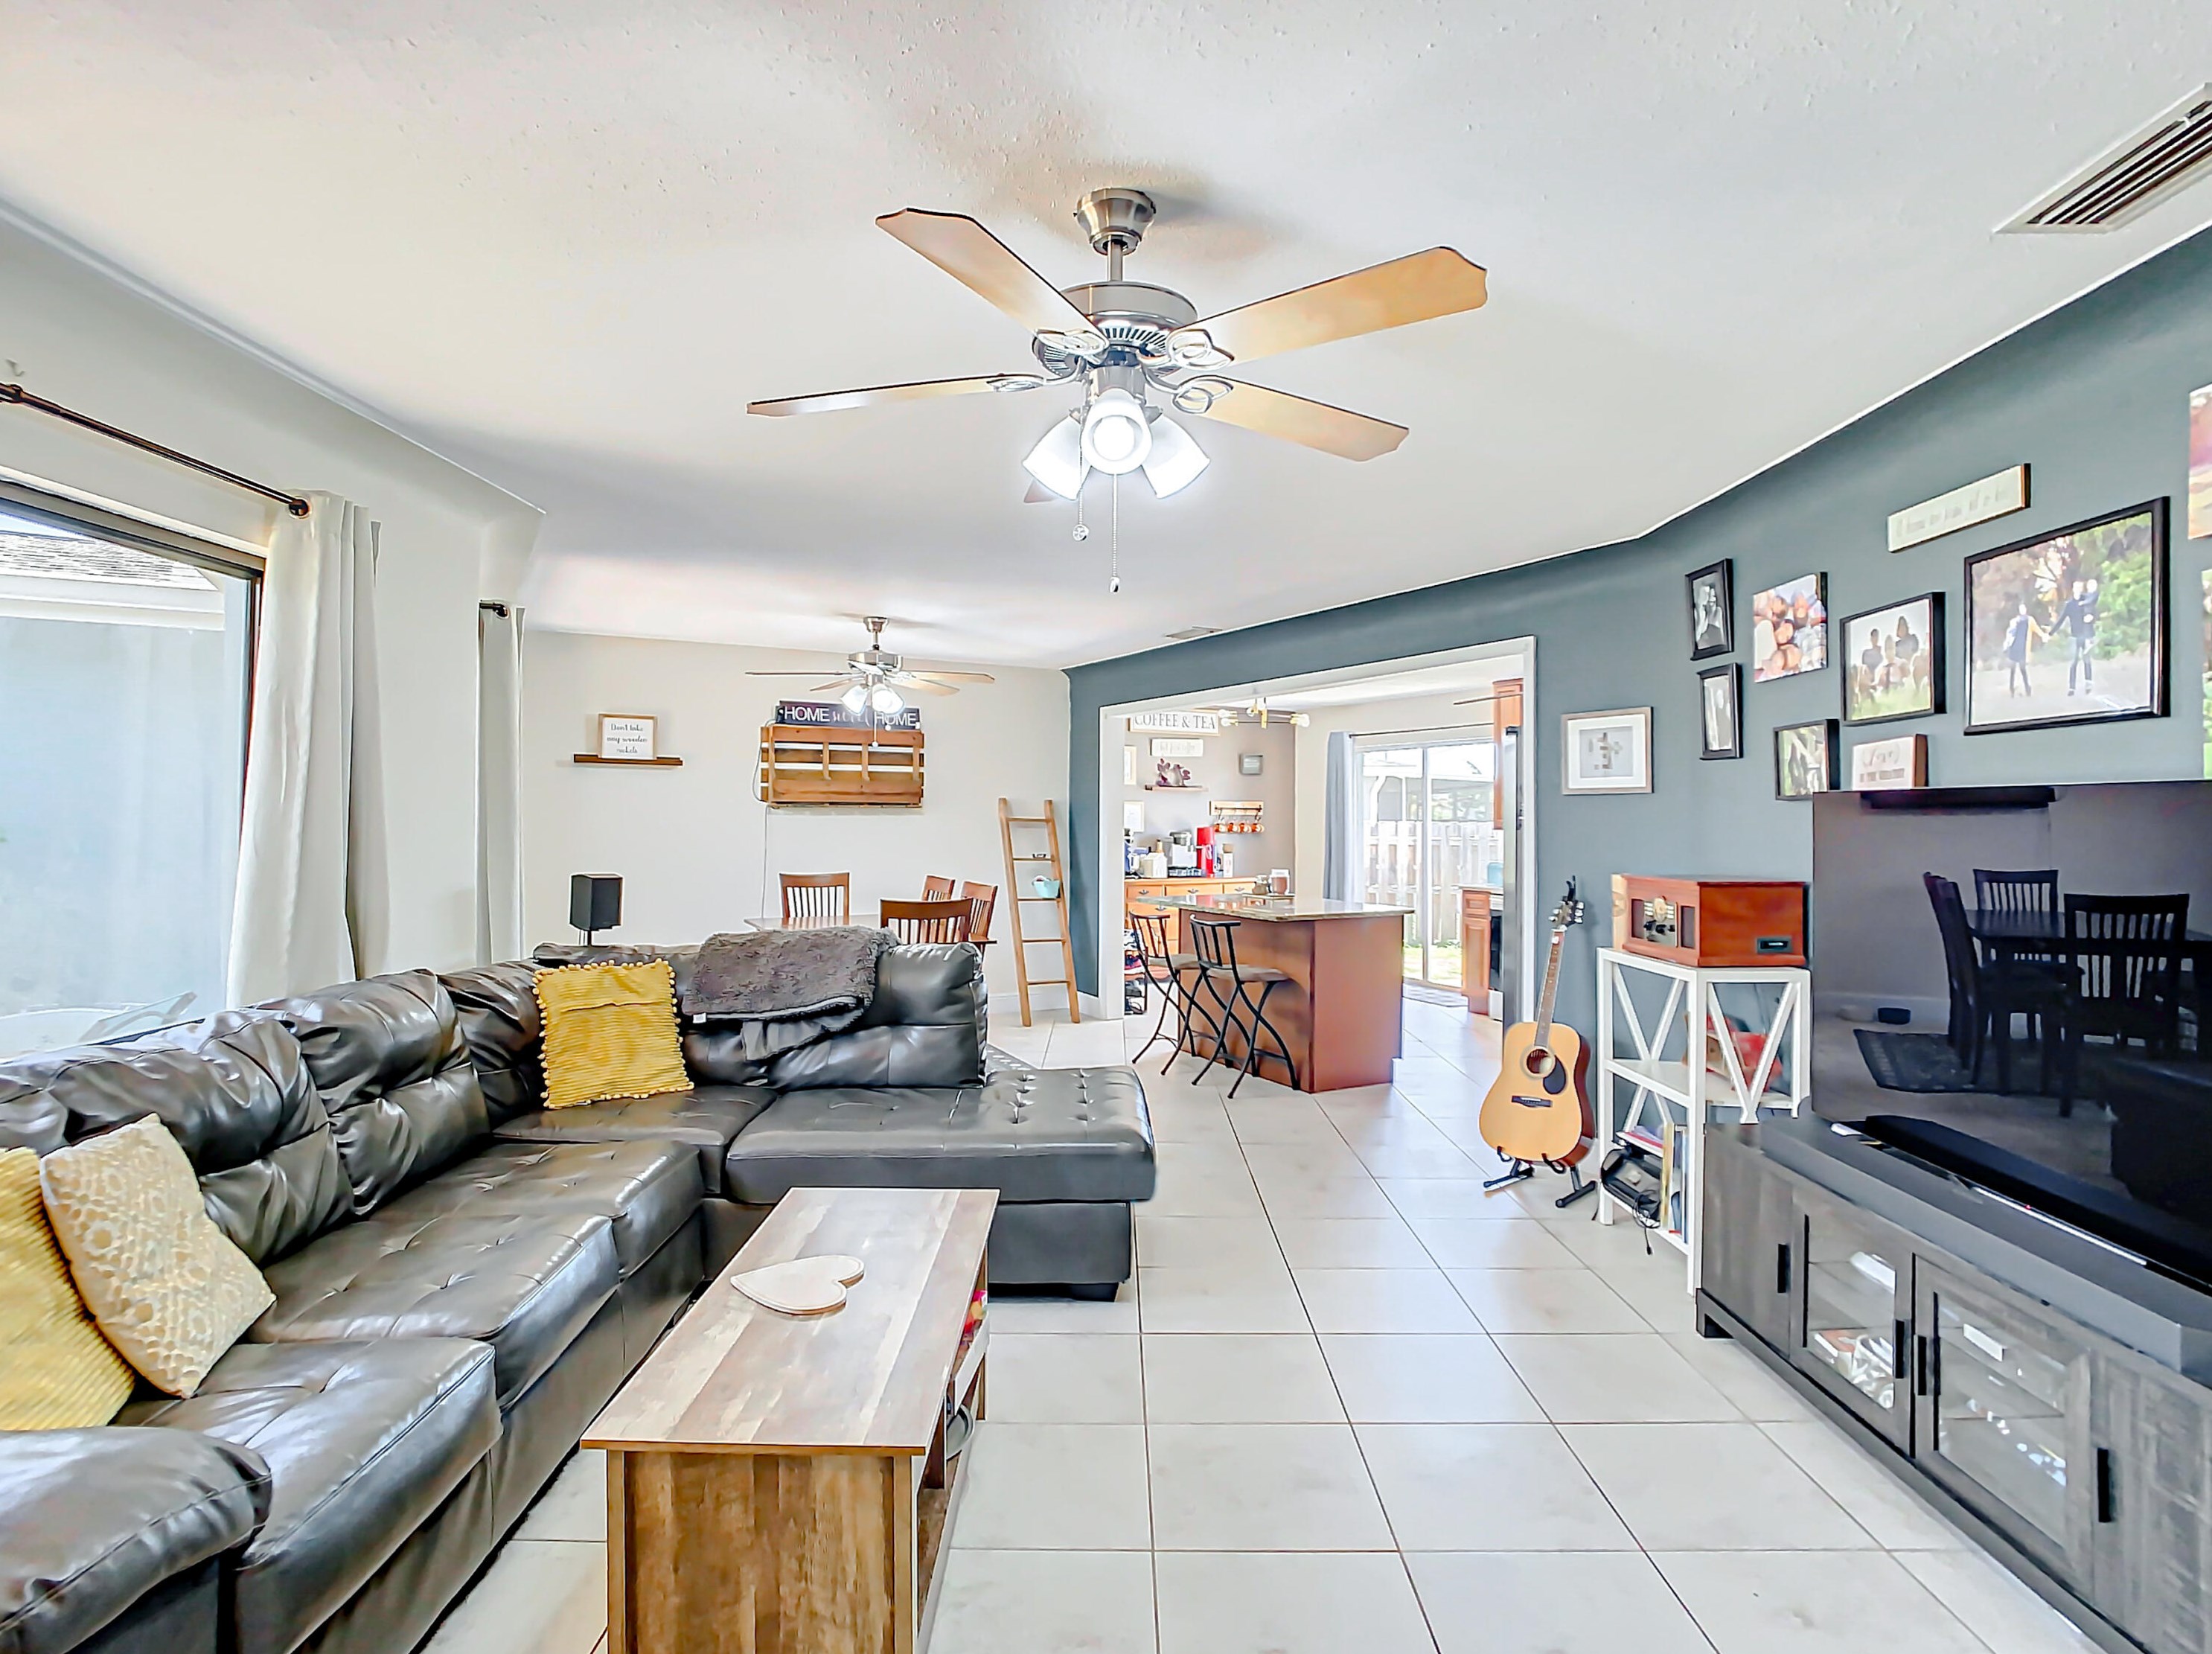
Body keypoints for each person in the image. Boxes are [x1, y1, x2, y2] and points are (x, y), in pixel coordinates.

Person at [2053, 577, 2100, 696]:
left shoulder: (2087, 601)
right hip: (2075, 636)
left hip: (2086, 634)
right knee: (2073, 662)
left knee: (2087, 660)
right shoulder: (2070, 605)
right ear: (2073, 589)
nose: (2078, 590)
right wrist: (2050, 633)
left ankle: (2088, 684)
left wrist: (2092, 618)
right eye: (2076, 588)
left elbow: (2095, 612)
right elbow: (2061, 620)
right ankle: (2072, 687)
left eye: (2080, 588)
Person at [2002, 598, 2047, 697]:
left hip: (2023, 648)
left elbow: (2037, 629)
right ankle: (2011, 689)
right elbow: (2009, 634)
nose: (2023, 610)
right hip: (2014, 647)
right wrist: (2006, 646)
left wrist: (2043, 636)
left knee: (2023, 669)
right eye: (2021, 609)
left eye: (2024, 608)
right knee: (2013, 669)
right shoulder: (2014, 621)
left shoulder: (2030, 620)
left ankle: (2028, 689)